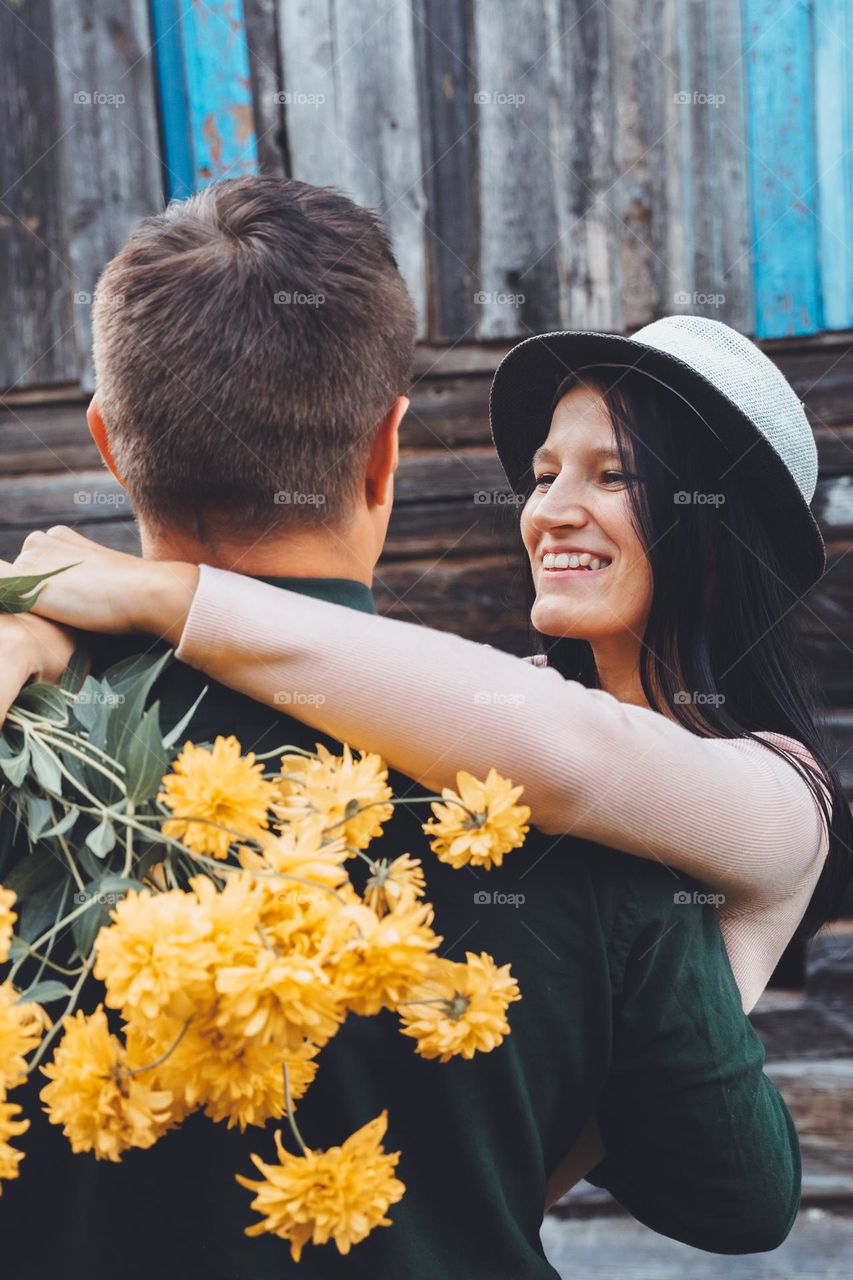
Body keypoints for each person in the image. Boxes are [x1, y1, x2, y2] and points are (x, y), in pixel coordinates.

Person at [0, 177, 802, 1277]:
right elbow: (737, 1197)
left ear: (105, 441)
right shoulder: (605, 830)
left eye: (618, 477)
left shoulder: (29, 749)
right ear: (386, 451)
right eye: (547, 474)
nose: (560, 507)